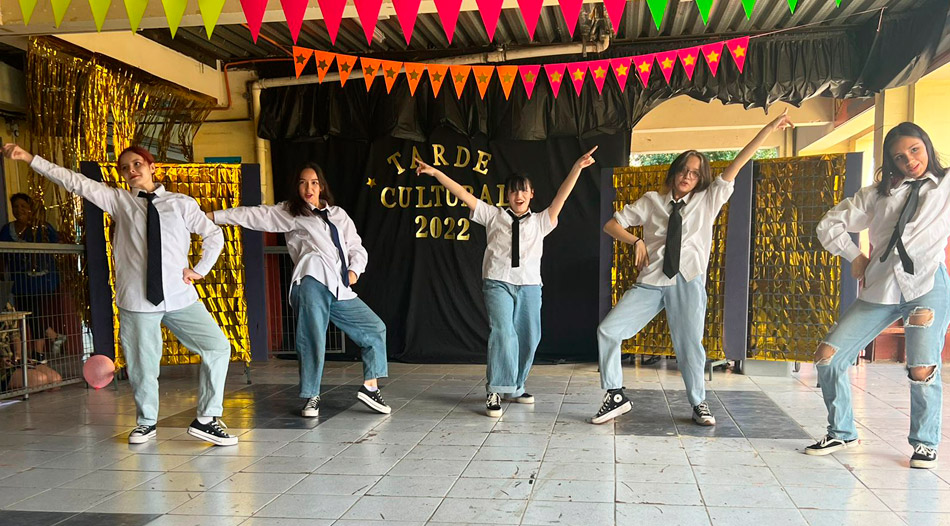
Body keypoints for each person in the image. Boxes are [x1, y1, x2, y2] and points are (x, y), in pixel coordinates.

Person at [1, 143, 237, 446]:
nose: (131, 171)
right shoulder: (119, 201)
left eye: (137, 164)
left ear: (153, 167)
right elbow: (74, 181)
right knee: (142, 365)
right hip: (138, 300)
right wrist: (29, 158)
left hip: (180, 297)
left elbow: (214, 234)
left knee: (217, 346)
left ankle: (206, 418)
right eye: (124, 168)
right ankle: (147, 423)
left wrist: (200, 269)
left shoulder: (181, 203)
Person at [593, 112, 794, 425]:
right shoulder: (651, 201)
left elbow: (738, 163)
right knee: (608, 330)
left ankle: (699, 402)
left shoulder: (708, 200)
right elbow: (611, 225)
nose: (688, 177)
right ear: (675, 172)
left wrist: (768, 129)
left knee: (689, 348)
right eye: (684, 170)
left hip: (688, 282)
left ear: (701, 179)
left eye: (695, 174)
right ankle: (616, 394)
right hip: (651, 281)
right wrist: (635, 241)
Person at [807, 122, 950, 469]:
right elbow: (829, 224)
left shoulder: (945, 185)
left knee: (921, 367)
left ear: (926, 146)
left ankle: (924, 443)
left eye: (915, 150)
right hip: (881, 286)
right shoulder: (876, 195)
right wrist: (855, 256)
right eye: (900, 157)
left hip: (926, 286)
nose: (910, 160)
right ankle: (842, 430)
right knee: (828, 356)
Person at [416, 147, 598, 417]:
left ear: (531, 194)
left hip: (529, 286)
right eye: (514, 191)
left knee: (529, 336)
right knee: (503, 333)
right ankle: (495, 389)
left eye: (524, 190)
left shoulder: (540, 221)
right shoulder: (493, 215)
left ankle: (515, 385)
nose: (519, 195)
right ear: (507, 195)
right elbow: (463, 194)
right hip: (497, 282)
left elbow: (562, 195)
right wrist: (436, 173)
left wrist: (577, 168)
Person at [209, 162, 391, 418]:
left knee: (374, 328)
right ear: (297, 187)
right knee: (313, 337)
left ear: (322, 186)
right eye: (303, 182)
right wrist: (215, 216)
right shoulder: (290, 212)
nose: (309, 187)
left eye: (314, 182)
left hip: (340, 286)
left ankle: (370, 388)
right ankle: (311, 396)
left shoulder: (338, 214)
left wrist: (354, 271)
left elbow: (356, 247)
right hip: (312, 280)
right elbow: (253, 215)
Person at [0, 193, 68, 362]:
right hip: (20, 282)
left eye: (23, 206)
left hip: (41, 281)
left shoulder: (42, 227)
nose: (19, 210)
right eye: (16, 207)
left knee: (35, 314)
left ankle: (39, 354)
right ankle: (53, 337)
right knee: (28, 315)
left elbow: (57, 245)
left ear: (31, 209)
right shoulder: (7, 230)